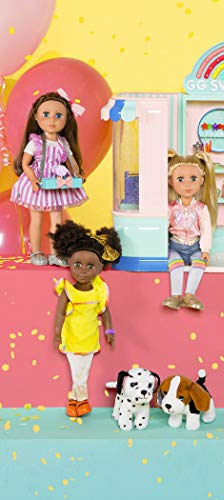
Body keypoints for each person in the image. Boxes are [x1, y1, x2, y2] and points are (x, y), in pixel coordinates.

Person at [49, 220, 122, 417]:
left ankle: (76, 401)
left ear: (100, 268)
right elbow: (60, 314)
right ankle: (80, 400)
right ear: (69, 264)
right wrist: (57, 334)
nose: (83, 270)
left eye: (90, 266)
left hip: (89, 339)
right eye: (77, 265)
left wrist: (109, 330)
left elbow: (105, 312)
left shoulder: (99, 291)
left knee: (84, 370)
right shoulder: (68, 290)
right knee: (77, 371)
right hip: (72, 338)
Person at [11, 90, 88, 266]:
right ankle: (36, 252)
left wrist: (76, 174)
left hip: (56, 182)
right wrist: (32, 179)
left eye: (58, 115)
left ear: (66, 120)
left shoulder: (63, 142)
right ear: (36, 118)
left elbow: (71, 162)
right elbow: (25, 163)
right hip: (38, 181)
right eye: (46, 114)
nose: (52, 120)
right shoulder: (35, 142)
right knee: (36, 218)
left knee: (57, 219)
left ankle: (55, 253)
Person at [162, 149, 217, 311]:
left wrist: (205, 249)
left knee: (200, 264)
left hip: (194, 247)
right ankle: (175, 296)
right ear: (171, 181)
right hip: (175, 246)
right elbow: (163, 227)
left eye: (193, 178)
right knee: (176, 264)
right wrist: (160, 247)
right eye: (180, 179)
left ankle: (189, 295)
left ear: (202, 180)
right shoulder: (171, 208)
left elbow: (206, 230)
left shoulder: (201, 209)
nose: (187, 184)